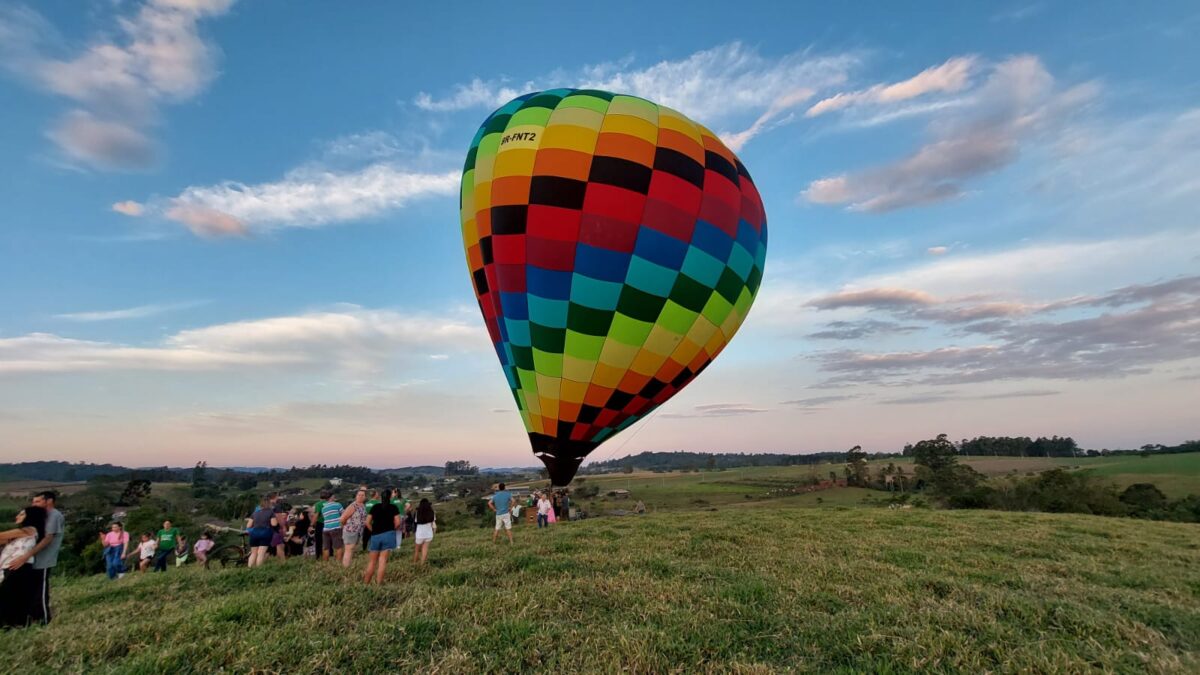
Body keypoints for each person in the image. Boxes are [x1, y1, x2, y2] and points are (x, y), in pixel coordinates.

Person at [0, 506, 47, 628]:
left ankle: (14, 624)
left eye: (21, 514)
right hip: (12, 567)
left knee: (9, 597)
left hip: (19, 568)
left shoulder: (29, 530)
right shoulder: (21, 534)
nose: (17, 517)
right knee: (11, 598)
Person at [23, 491, 63, 624]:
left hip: (44, 559)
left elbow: (48, 538)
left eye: (37, 501)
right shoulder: (42, 515)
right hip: (34, 559)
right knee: (32, 590)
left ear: (49, 501)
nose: (34, 504)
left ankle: (44, 619)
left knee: (41, 591)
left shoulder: (54, 515)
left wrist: (28, 554)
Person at [364, 489, 401, 584]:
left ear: (381, 497)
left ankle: (365, 583)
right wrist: (393, 529)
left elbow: (367, 522)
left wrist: (373, 531)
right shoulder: (393, 507)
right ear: (390, 497)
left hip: (375, 535)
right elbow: (398, 522)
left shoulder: (375, 507)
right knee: (382, 561)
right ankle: (378, 584)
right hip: (388, 534)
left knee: (372, 562)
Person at [246, 497, 278, 568]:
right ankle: (258, 570)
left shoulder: (255, 513)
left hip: (254, 534)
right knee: (261, 553)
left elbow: (248, 525)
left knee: (253, 553)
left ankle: (250, 569)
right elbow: (274, 524)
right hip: (265, 533)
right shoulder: (271, 512)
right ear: (269, 504)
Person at [340, 489, 368, 567]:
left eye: (363, 495)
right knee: (348, 549)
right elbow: (342, 518)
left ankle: (348, 565)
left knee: (352, 549)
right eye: (359, 495)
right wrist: (346, 526)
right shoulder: (353, 506)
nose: (361, 496)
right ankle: (345, 567)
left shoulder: (362, 505)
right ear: (356, 496)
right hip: (350, 531)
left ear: (365, 497)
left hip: (358, 531)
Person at [320, 492, 344, 562]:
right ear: (331, 497)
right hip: (336, 527)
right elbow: (343, 514)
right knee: (338, 547)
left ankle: (325, 563)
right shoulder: (338, 505)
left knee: (326, 548)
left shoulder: (323, 508)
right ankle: (338, 563)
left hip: (326, 529)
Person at [312, 492, 328, 559]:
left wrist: (312, 524)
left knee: (318, 540)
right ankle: (330, 554)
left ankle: (318, 555)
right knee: (327, 540)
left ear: (320, 497)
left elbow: (316, 515)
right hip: (328, 523)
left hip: (320, 523)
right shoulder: (329, 504)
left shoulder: (318, 504)